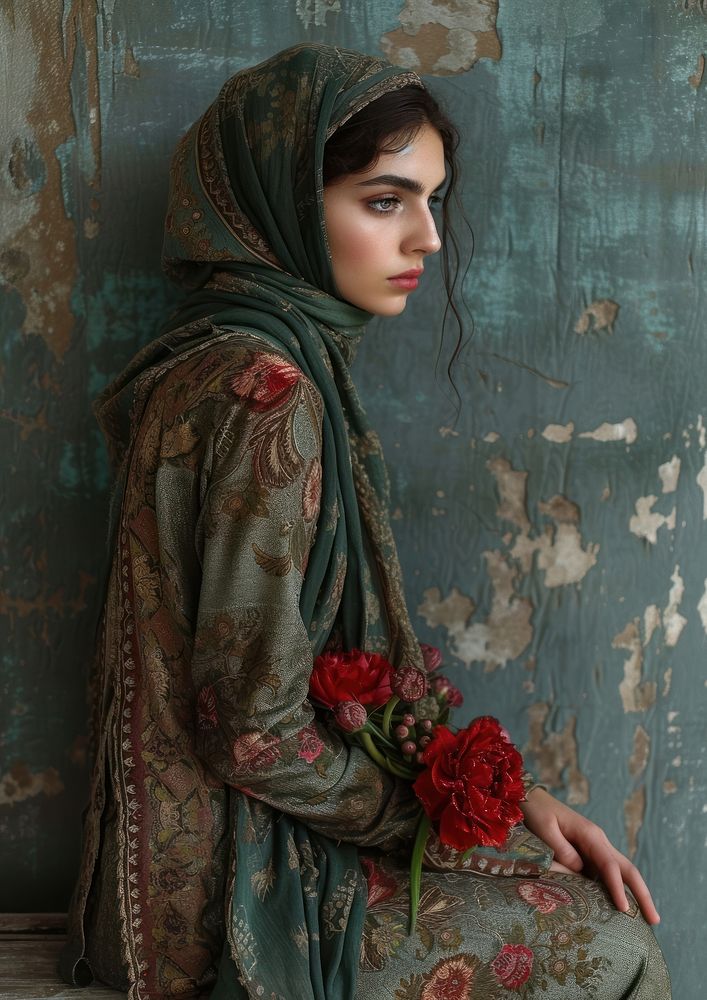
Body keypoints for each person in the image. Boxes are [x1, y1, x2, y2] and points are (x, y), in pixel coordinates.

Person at [60, 43, 671, 999]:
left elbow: (329, 691)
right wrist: (456, 828)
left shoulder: (212, 363)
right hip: (211, 908)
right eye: (384, 200)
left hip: (157, 876)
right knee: (622, 946)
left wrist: (513, 803)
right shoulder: (267, 393)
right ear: (285, 205)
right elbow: (254, 735)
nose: (426, 238)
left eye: (430, 199)